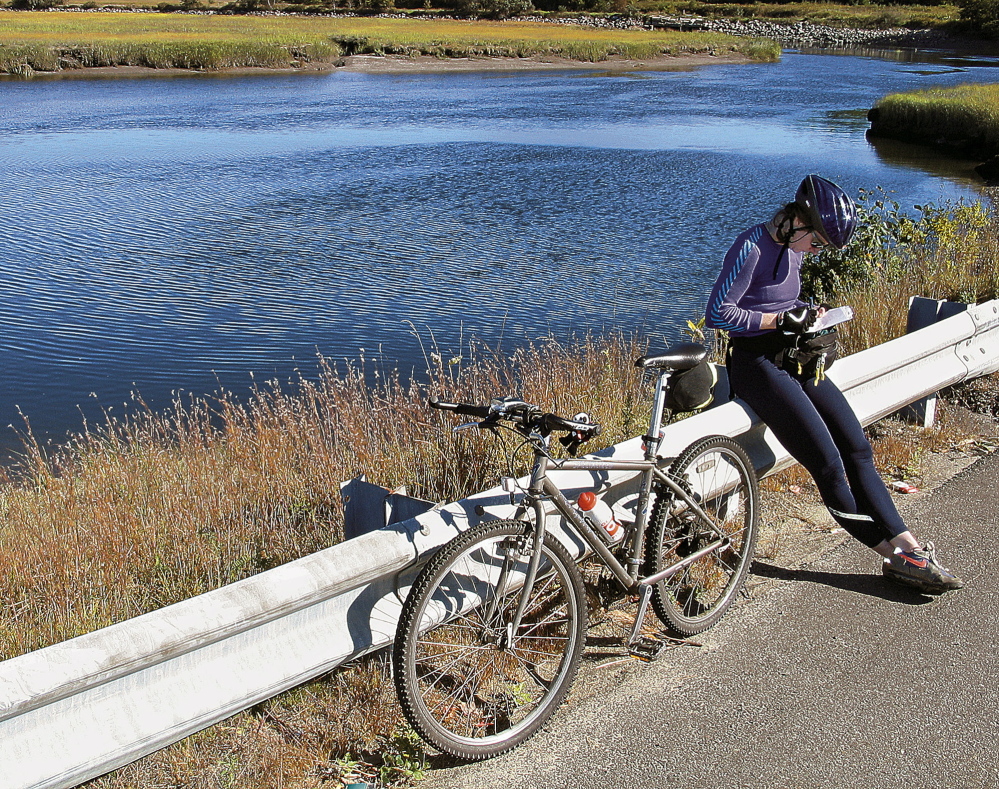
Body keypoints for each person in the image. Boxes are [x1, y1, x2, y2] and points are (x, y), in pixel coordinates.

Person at [704, 174, 963, 594]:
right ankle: (891, 555)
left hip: (796, 355)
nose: (816, 251)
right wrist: (776, 320)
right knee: (827, 463)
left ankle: (910, 547)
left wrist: (809, 313)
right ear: (796, 222)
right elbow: (718, 314)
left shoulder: (796, 247)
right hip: (755, 363)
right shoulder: (751, 246)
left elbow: (783, 301)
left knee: (857, 447)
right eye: (817, 242)